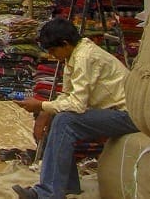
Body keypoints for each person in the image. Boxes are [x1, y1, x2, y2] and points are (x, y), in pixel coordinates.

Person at [11, 18, 138, 199]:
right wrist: (46, 111)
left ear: (65, 44)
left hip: (126, 115)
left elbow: (77, 104)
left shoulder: (85, 57)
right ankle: (67, 186)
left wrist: (41, 105)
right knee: (58, 117)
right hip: (112, 112)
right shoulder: (74, 55)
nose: (53, 55)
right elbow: (68, 95)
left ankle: (48, 193)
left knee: (65, 120)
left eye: (54, 50)